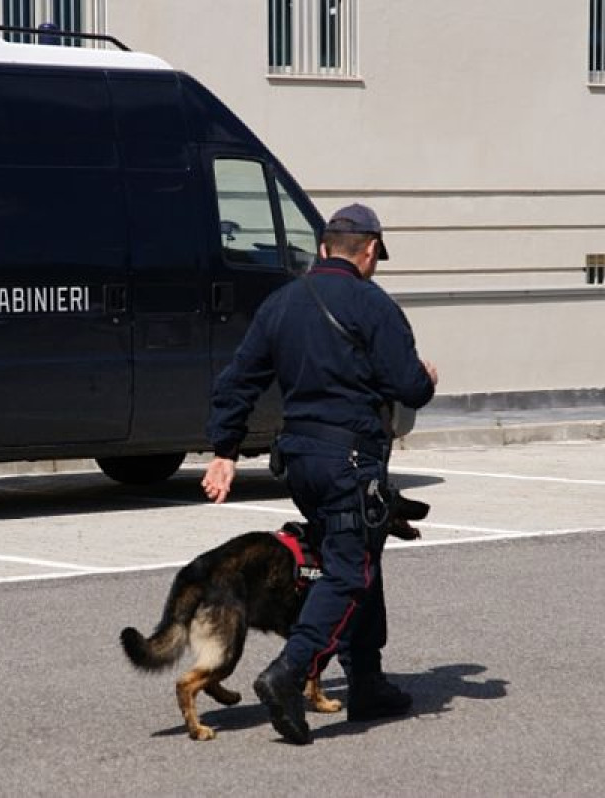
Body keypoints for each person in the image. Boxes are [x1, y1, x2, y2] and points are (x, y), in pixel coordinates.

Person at [202, 203, 438, 744]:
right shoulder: (373, 304)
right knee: (349, 573)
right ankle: (289, 671)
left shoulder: (281, 302)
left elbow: (238, 379)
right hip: (350, 461)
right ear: (370, 250)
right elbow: (408, 385)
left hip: (300, 462)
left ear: (324, 247)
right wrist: (426, 378)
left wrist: (224, 449)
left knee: (359, 560)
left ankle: (367, 681)